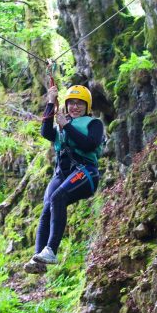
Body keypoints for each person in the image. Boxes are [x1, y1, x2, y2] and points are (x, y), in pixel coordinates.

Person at [23, 84, 104, 274]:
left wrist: (66, 125)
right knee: (47, 209)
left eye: (80, 104)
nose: (75, 107)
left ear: (87, 107)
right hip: (62, 174)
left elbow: (90, 145)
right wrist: (51, 103)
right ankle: (38, 259)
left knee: (58, 197)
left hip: (86, 172)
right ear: (66, 106)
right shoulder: (61, 123)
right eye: (71, 104)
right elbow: (46, 133)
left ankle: (51, 250)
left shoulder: (94, 124)